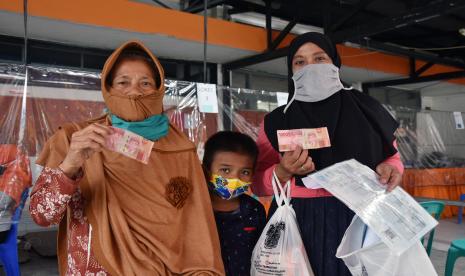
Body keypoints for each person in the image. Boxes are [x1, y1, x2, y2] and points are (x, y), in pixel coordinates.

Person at [29, 40, 224, 276]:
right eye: (123, 82)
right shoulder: (75, 138)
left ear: (159, 88)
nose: (134, 92)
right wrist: (71, 164)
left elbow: (197, 224)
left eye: (145, 83)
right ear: (108, 88)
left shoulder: (181, 149)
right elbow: (42, 215)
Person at [252, 32, 404, 276]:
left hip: (357, 217)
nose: (309, 68)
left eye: (319, 58)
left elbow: (391, 157)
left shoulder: (367, 110)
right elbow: (257, 184)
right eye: (300, 62)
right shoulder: (275, 121)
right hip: (299, 222)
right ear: (291, 70)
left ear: (335, 63)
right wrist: (282, 171)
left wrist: (392, 169)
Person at [202, 131, 266, 276]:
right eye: (225, 170)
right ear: (206, 170)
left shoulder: (255, 210)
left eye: (244, 172)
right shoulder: (195, 209)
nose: (234, 178)